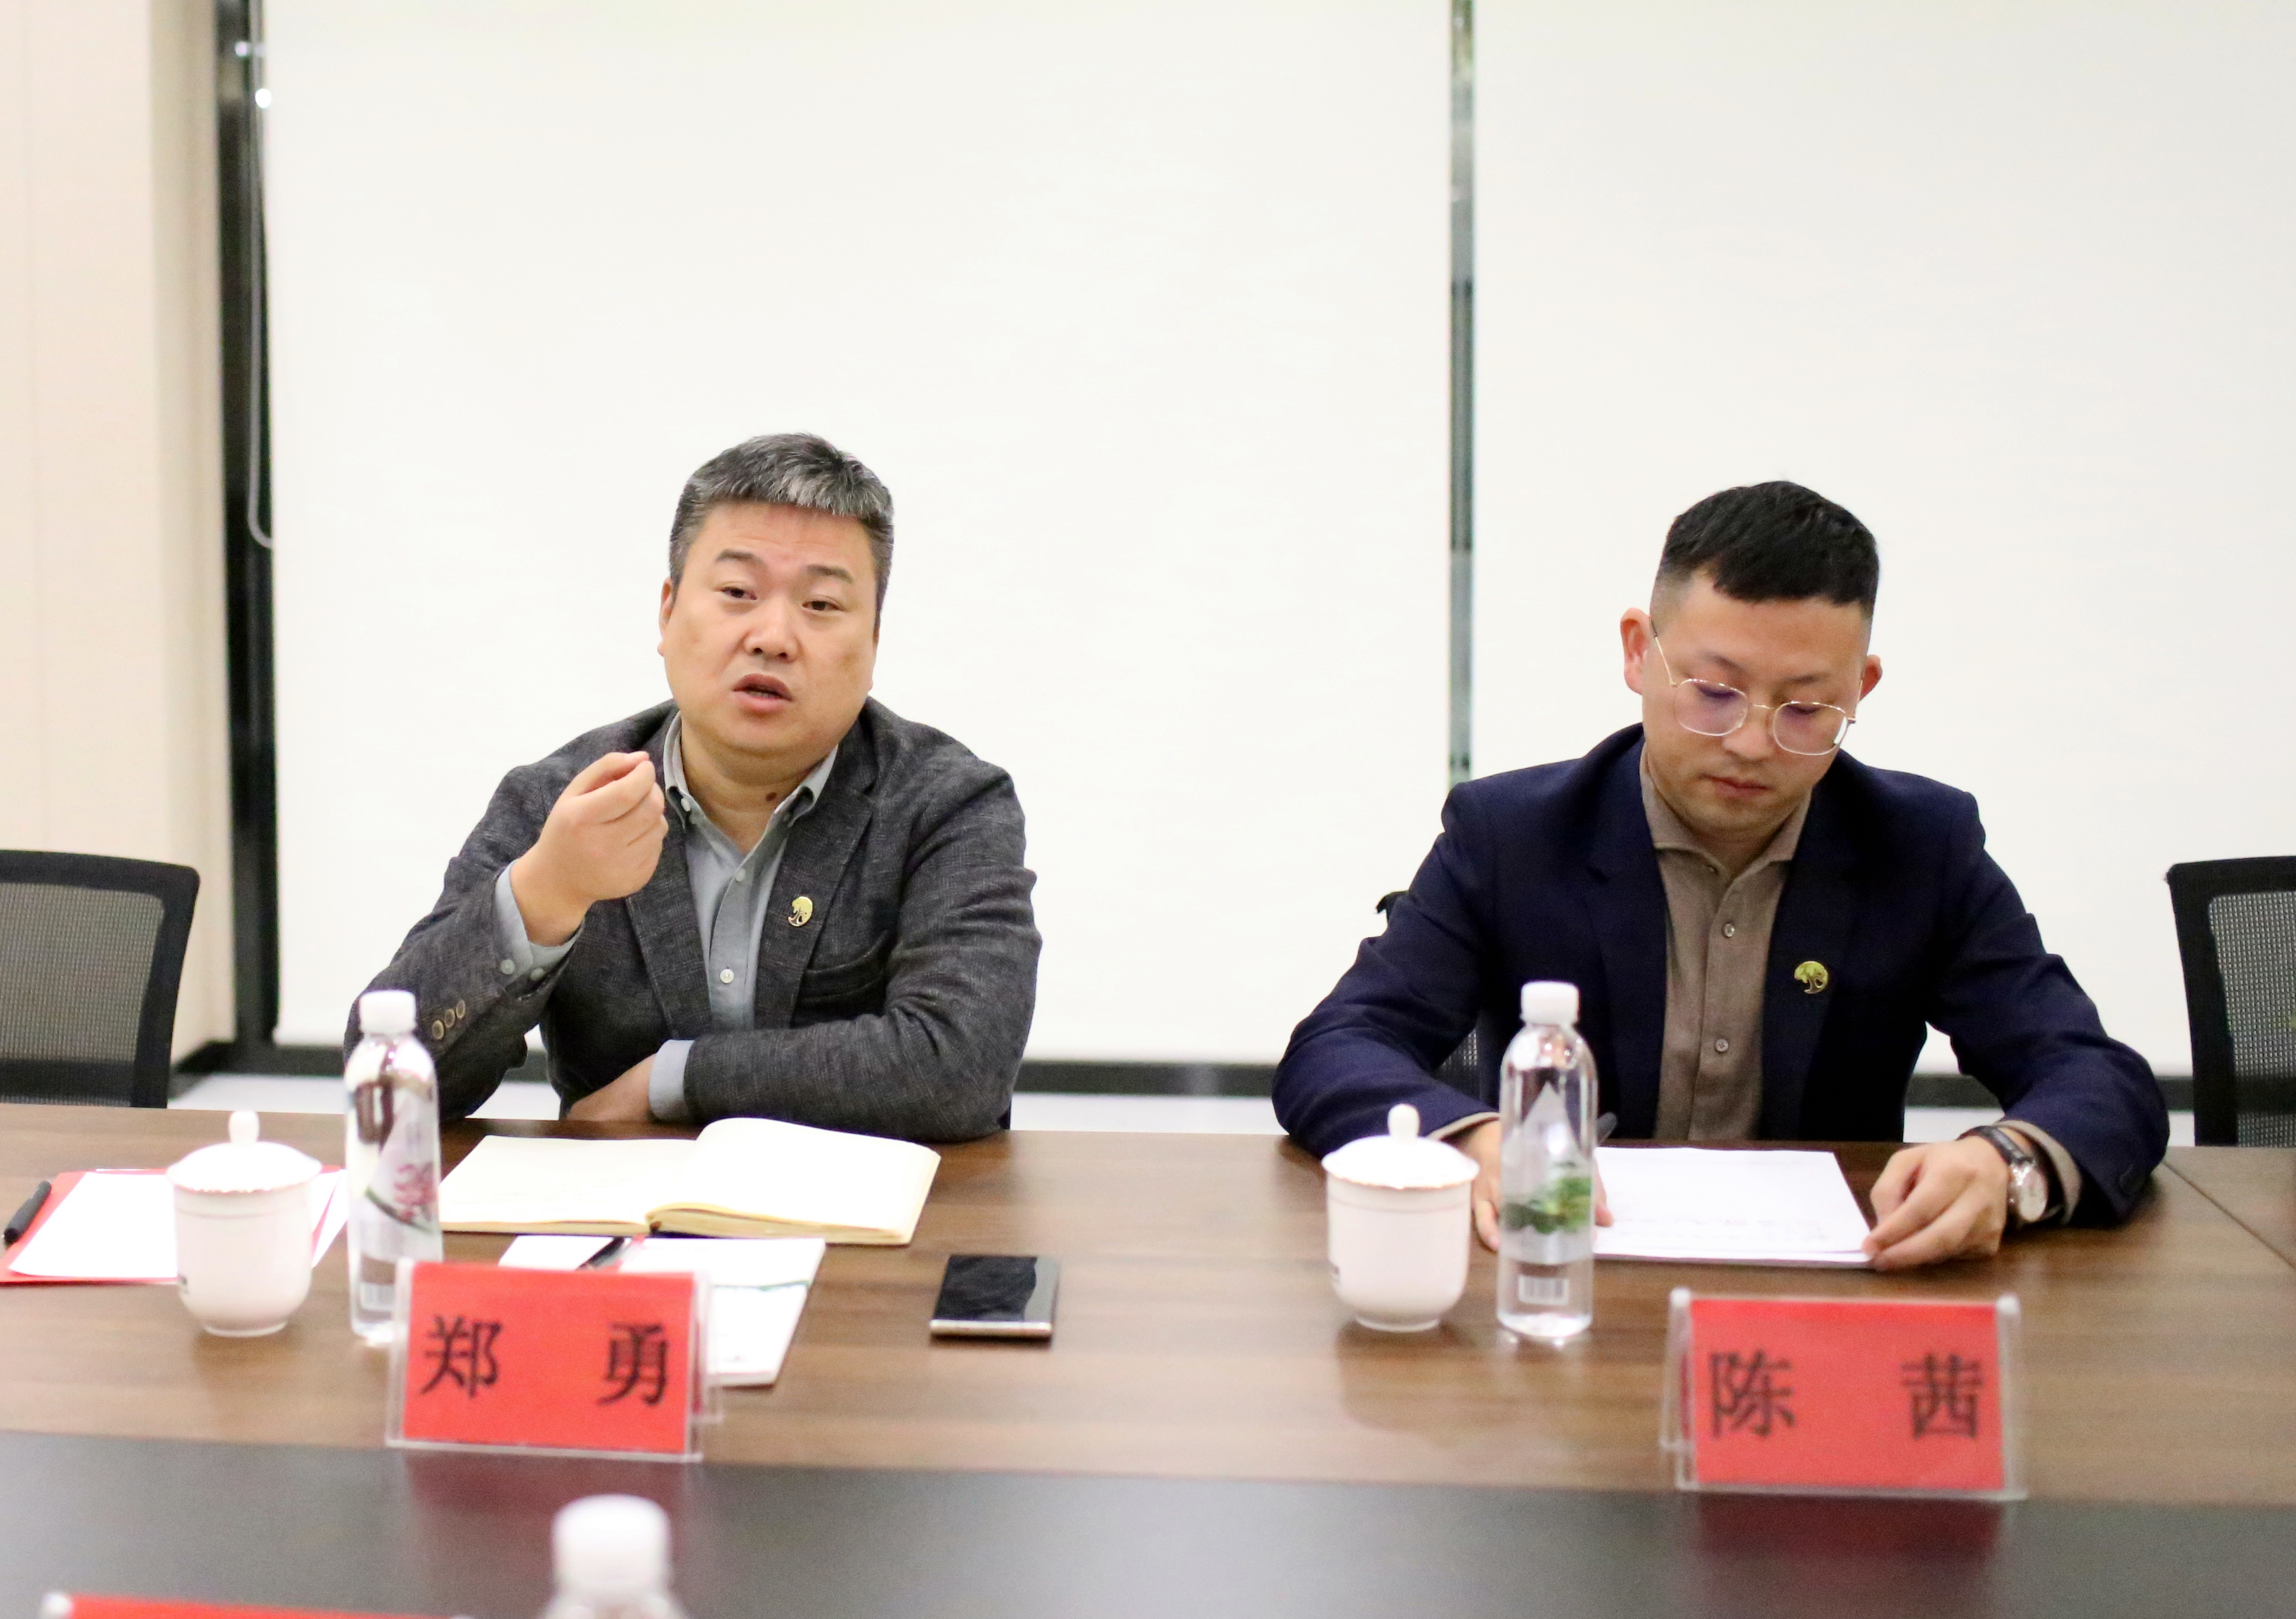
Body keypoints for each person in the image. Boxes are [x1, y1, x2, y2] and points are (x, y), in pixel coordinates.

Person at [1275, 481, 2166, 1270]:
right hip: (1569, 1276)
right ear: (1638, 651)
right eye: (1714, 692)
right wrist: (1474, 1138)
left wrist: (2006, 1163)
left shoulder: (1918, 846)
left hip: (1828, 1292)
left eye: (1807, 707)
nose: (1751, 741)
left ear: (1862, 689)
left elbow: (2096, 1077)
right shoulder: (1513, 835)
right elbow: (1339, 1046)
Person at [350, 433, 1040, 1137]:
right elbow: (389, 1079)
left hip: (875, 1205)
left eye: (821, 604)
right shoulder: (567, 799)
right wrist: (547, 892)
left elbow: (959, 1065)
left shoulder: (947, 805)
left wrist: (674, 1080)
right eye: (737, 593)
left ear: (874, 642)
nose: (773, 636)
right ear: (668, 611)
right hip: (618, 1203)